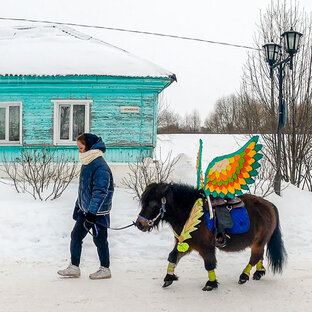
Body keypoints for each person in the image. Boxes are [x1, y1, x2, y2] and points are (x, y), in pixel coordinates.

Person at [57, 133, 114, 279]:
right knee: (76, 236)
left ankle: (105, 268)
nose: (79, 151)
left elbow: (100, 192)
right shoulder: (87, 163)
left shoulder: (100, 167)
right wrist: (78, 206)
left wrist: (92, 214)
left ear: (89, 147)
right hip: (86, 210)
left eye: (81, 148)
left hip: (97, 213)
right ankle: (74, 267)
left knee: (100, 239)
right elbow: (84, 189)